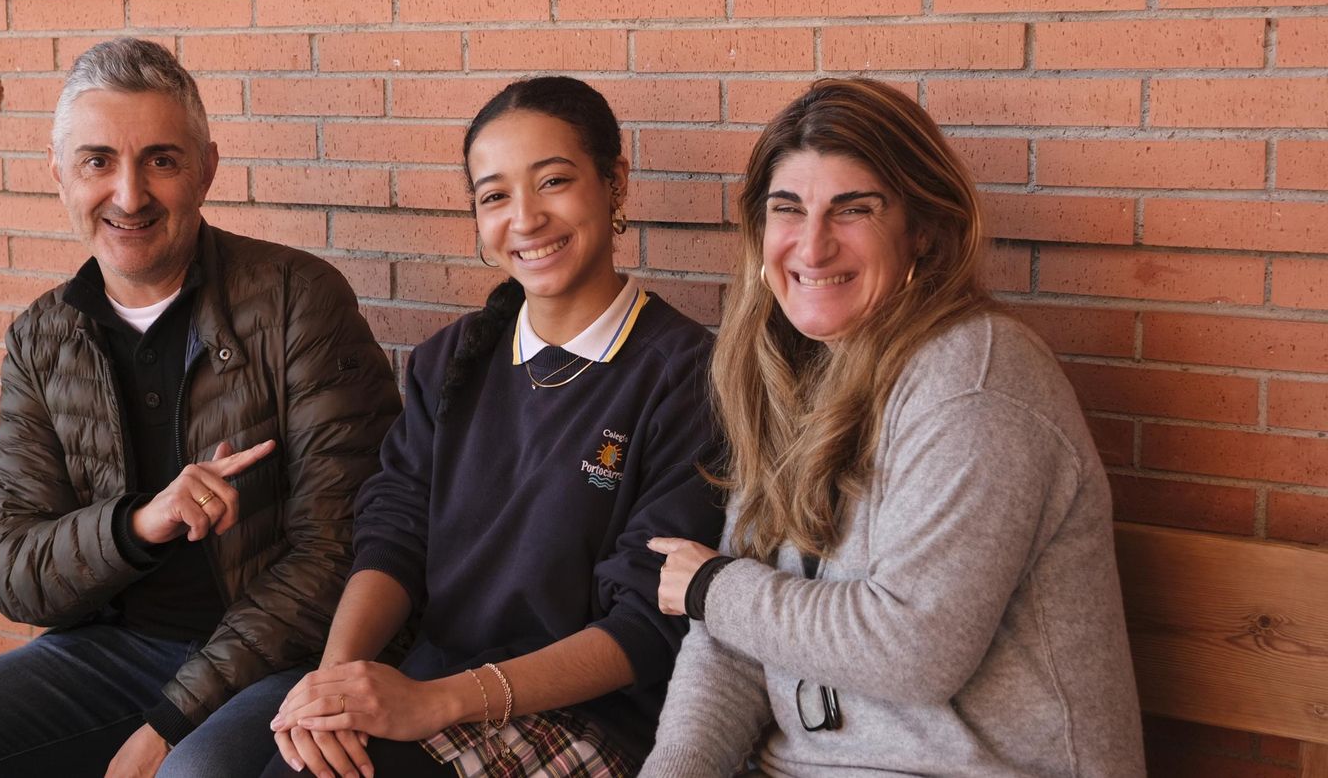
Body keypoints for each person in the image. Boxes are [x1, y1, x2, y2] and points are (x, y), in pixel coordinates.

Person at [0, 38, 401, 778]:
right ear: (60, 174)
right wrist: (138, 525)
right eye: (98, 161)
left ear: (206, 169)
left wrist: (168, 724)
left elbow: (340, 550)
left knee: (190, 774)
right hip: (111, 654)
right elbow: (9, 564)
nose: (130, 195)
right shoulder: (45, 336)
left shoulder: (298, 300)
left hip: (276, 653)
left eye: (161, 161)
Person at [643, 78, 1145, 777]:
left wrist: (714, 588)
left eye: (853, 210)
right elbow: (730, 648)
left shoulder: (976, 377)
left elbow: (914, 650)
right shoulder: (794, 373)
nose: (812, 247)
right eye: (788, 209)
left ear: (923, 232)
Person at [260, 76, 724, 778]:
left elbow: (645, 625)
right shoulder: (449, 361)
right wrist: (335, 686)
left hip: (592, 717)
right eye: (496, 196)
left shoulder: (687, 376)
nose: (527, 218)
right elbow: (395, 535)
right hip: (432, 684)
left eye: (554, 182)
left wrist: (439, 702)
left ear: (614, 182)